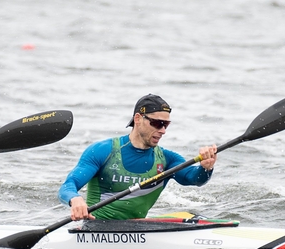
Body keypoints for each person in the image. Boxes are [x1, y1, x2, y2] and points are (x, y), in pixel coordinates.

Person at [58, 94, 217, 221]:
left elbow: (195, 179)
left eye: (166, 125)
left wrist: (206, 167)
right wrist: (75, 199)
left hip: (137, 229)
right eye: (157, 123)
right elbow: (68, 185)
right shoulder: (103, 151)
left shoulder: (168, 159)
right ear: (138, 119)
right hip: (97, 227)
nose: (163, 130)